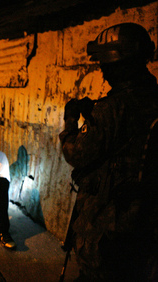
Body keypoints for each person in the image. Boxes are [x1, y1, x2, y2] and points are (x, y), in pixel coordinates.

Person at [59, 23, 158, 281]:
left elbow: (75, 153)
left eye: (105, 64)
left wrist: (70, 121)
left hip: (108, 227)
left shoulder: (112, 108)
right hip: (146, 222)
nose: (102, 70)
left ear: (119, 64)